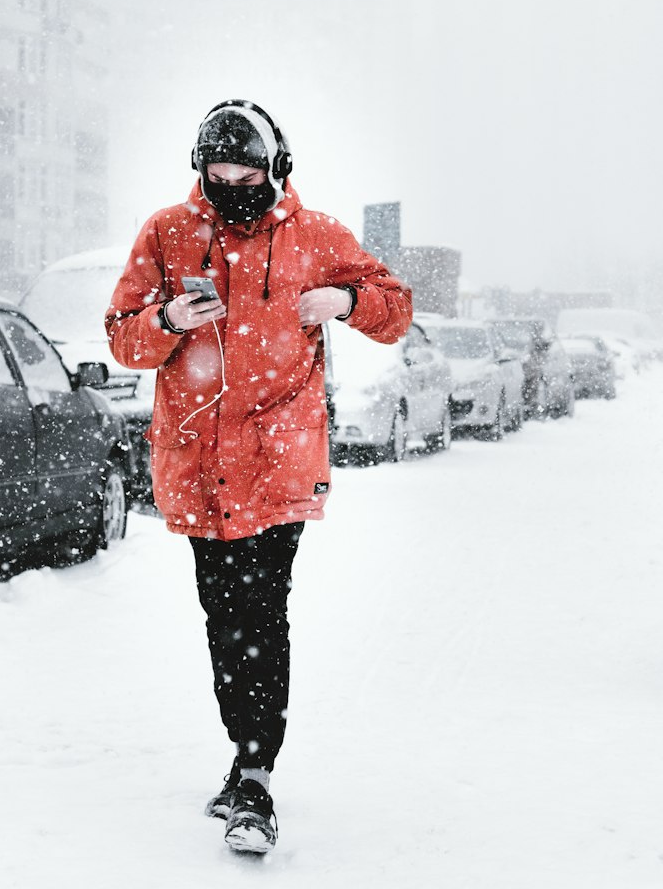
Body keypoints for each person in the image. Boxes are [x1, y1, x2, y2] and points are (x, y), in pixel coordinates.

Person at [105, 99, 412, 854]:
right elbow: (120, 336)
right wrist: (170, 319)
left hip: (279, 464)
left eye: (247, 173)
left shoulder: (315, 237)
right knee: (225, 617)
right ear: (199, 173)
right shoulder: (169, 234)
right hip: (201, 467)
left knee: (261, 613)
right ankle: (246, 757)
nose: (233, 187)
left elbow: (396, 308)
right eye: (219, 176)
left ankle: (255, 774)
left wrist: (344, 299)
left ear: (277, 168)